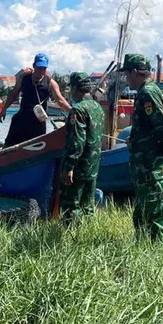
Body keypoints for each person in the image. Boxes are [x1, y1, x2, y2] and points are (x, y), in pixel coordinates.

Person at [122, 54, 163, 241]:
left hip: (152, 167)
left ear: (135, 72)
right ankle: (143, 252)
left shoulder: (147, 93)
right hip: (145, 167)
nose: (126, 78)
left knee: (155, 218)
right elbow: (149, 129)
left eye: (127, 73)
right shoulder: (145, 92)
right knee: (142, 216)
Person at [59, 72, 105, 225]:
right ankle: (87, 233)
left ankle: (71, 237)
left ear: (75, 88)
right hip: (93, 164)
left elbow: (77, 141)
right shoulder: (97, 107)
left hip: (79, 165)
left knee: (71, 204)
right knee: (87, 204)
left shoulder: (77, 110)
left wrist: (69, 166)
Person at [0, 53, 71, 147]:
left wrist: (74, 111)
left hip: (38, 124)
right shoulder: (23, 78)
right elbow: (13, 94)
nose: (41, 71)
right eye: (39, 67)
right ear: (34, 66)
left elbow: (60, 101)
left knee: (36, 149)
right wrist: (4, 109)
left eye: (44, 68)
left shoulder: (50, 83)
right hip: (21, 120)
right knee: (9, 147)